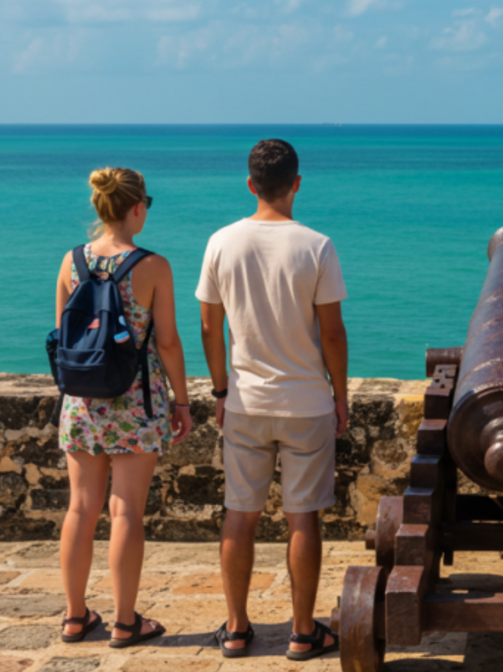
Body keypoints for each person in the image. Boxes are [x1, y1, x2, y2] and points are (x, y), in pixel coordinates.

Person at [197, 139, 348, 661]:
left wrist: (220, 388)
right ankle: (303, 632)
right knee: (302, 517)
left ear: (250, 183)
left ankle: (237, 629)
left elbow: (208, 327)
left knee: (240, 513)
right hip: (306, 403)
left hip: (245, 400)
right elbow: (332, 334)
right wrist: (340, 398)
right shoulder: (317, 246)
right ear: (297, 184)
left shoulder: (221, 242)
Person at [55, 167, 194, 648]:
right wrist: (182, 401)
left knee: (80, 507)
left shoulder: (72, 262)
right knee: (126, 511)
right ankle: (125, 621)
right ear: (137, 208)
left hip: (82, 402)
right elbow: (170, 342)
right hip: (135, 400)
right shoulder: (152, 266)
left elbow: (63, 336)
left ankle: (75, 617)